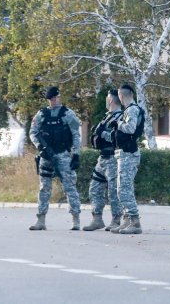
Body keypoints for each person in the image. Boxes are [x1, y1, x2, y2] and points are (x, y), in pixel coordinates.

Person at [29, 86, 81, 231]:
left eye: (56, 98)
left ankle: (76, 219)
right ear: (49, 99)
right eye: (52, 99)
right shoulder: (41, 115)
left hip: (63, 154)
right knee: (44, 188)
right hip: (46, 155)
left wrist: (76, 154)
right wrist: (40, 147)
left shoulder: (67, 114)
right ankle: (40, 220)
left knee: (70, 187)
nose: (55, 100)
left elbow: (76, 134)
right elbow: (33, 132)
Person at [83, 90, 124, 231]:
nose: (106, 101)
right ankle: (97, 219)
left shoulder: (121, 117)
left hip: (113, 158)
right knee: (94, 188)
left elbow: (117, 138)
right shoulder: (107, 117)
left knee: (113, 191)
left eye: (107, 99)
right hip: (102, 158)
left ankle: (117, 219)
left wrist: (103, 133)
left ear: (111, 100)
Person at [110, 84, 145, 234]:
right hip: (125, 153)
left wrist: (118, 123)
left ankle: (135, 222)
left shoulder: (132, 109)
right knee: (123, 188)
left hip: (128, 154)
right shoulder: (131, 109)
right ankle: (127, 220)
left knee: (124, 189)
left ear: (121, 95)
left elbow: (130, 128)